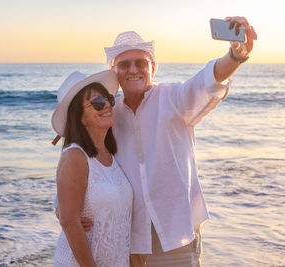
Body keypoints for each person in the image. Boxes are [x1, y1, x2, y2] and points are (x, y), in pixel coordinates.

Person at [76, 16, 257, 266]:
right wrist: (75, 210)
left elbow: (208, 81)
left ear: (152, 68)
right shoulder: (108, 114)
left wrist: (235, 56)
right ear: (114, 72)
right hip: (129, 241)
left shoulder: (174, 98)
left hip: (177, 237)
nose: (133, 70)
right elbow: (85, 162)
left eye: (141, 62)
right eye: (124, 65)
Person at [51, 70, 133, 266]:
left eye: (109, 100)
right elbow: (69, 221)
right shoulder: (75, 156)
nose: (106, 106)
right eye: (97, 103)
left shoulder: (111, 155)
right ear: (79, 117)